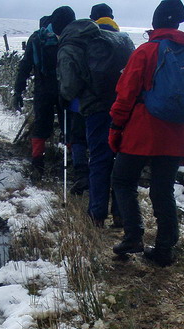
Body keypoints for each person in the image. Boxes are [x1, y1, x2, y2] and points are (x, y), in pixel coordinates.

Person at [109, 0, 184, 266]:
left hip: (142, 132)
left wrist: (116, 127)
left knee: (123, 181)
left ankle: (133, 235)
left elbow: (125, 95)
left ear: (155, 23)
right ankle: (164, 249)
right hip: (176, 134)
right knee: (163, 191)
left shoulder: (146, 52)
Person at [56, 4, 133, 227]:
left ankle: (96, 215)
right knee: (120, 159)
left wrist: (65, 97)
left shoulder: (71, 43)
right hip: (123, 106)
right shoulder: (112, 38)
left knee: (100, 159)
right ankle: (121, 215)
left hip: (96, 109)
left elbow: (69, 87)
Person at [11, 15, 62, 177]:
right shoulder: (64, 37)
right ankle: (73, 165)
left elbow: (25, 66)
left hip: (43, 89)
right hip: (64, 88)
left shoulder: (36, 38)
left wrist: (18, 91)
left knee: (40, 126)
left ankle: (37, 166)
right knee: (68, 124)